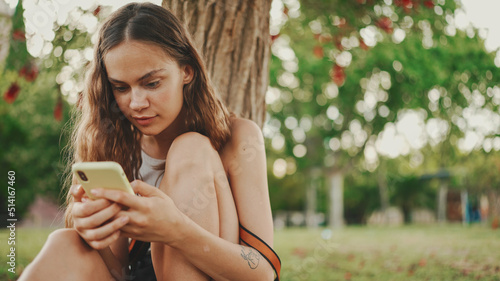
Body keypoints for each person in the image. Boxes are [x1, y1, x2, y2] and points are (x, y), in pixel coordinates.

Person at [18, 2, 280, 281]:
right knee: (65, 242)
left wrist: (175, 230)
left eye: (152, 83)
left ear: (186, 71)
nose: (136, 103)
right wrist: (92, 232)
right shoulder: (112, 144)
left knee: (190, 147)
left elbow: (263, 273)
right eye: (121, 87)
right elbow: (117, 271)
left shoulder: (238, 138)